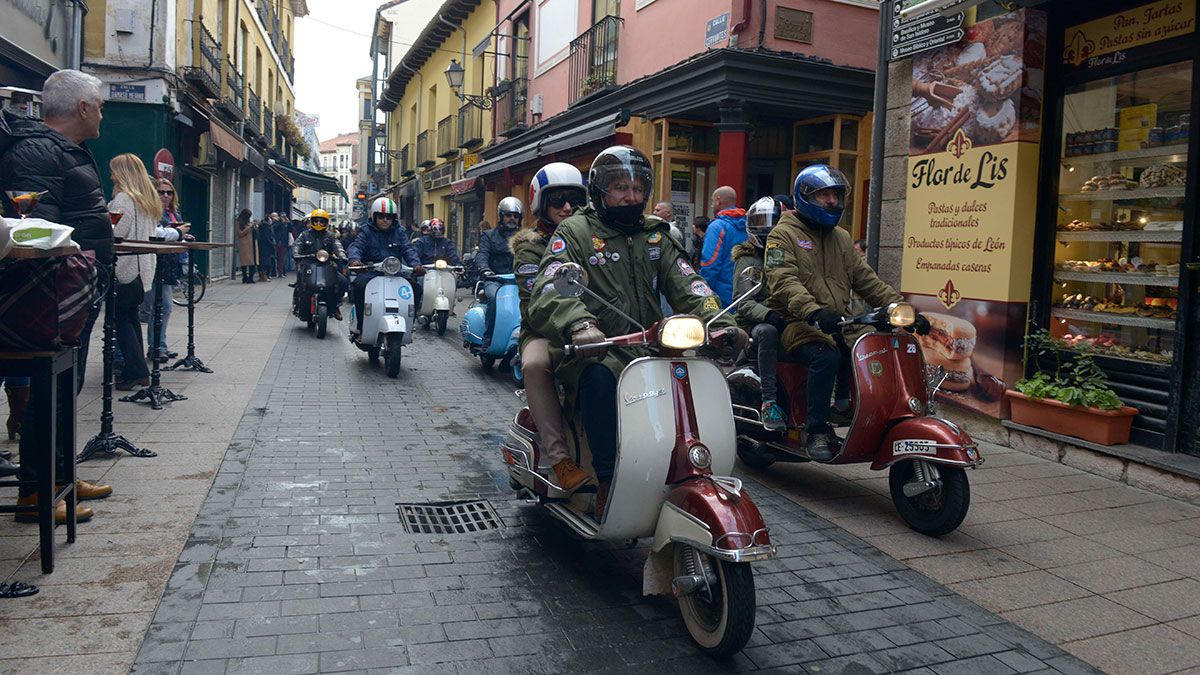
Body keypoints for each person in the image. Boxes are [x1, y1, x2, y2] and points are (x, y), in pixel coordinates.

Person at [528, 146, 745, 518]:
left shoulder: (656, 236)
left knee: (685, 376)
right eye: (619, 187)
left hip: (649, 343)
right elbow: (549, 287)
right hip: (596, 346)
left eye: (637, 187)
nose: (630, 195)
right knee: (597, 379)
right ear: (599, 190)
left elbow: (688, 282)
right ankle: (608, 479)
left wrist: (722, 322)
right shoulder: (575, 232)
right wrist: (580, 324)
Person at [764, 165, 928, 460]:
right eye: (823, 195)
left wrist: (903, 308)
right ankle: (815, 429)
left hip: (839, 321)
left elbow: (867, 280)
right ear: (804, 197)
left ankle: (852, 408)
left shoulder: (841, 237)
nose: (831, 201)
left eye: (835, 195)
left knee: (874, 348)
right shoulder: (782, 234)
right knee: (826, 356)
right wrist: (813, 311)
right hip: (798, 322)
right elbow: (783, 280)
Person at [511, 162, 590, 492]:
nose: (568, 207)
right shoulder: (531, 247)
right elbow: (536, 302)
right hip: (543, 330)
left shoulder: (590, 238)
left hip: (590, 326)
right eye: (558, 201)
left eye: (573, 199)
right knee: (536, 363)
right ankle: (560, 458)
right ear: (541, 203)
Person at [733, 196, 788, 432]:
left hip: (783, 315)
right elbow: (743, 303)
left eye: (773, 222)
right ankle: (769, 402)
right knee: (767, 332)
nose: (767, 227)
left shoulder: (782, 253)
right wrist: (768, 314)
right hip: (752, 323)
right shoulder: (748, 259)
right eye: (762, 222)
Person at [347, 197, 422, 334]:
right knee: (359, 287)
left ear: (393, 218)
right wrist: (355, 260)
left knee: (415, 288)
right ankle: (361, 325)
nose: (385, 220)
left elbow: (408, 249)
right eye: (381, 217)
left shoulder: (399, 232)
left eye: (389, 217)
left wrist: (416, 265)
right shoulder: (366, 231)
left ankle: (410, 322)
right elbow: (357, 246)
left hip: (395, 273)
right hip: (371, 272)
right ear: (374, 217)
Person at [141, 178, 191, 361]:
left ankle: (160, 345)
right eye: (161, 192)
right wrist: (178, 233)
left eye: (169, 192)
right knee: (162, 307)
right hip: (155, 264)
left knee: (163, 308)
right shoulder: (152, 212)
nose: (165, 196)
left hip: (169, 265)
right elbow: (156, 234)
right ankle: (156, 347)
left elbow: (176, 237)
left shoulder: (173, 214)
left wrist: (183, 236)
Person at [475, 197, 523, 348]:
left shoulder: (524, 237)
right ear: (501, 216)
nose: (512, 219)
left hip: (517, 280)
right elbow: (482, 254)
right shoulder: (489, 235)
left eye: (516, 216)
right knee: (494, 299)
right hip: (495, 279)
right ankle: (488, 336)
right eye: (509, 215)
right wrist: (485, 269)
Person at [293, 208, 347, 320]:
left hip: (327, 266)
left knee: (343, 282)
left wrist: (342, 255)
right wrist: (296, 253)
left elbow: (338, 246)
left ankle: (336, 305)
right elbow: (297, 245)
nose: (319, 223)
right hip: (309, 265)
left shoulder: (331, 236)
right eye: (316, 221)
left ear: (326, 223)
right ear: (312, 221)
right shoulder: (304, 235)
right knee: (300, 278)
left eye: (321, 221)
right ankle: (299, 303)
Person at [699, 185, 748, 306]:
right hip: (744, 292)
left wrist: (704, 291)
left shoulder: (717, 227)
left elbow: (710, 262)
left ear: (718, 200)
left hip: (721, 295)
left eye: (712, 201)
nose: (712, 205)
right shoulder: (747, 225)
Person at [235, 209, 256, 282]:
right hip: (244, 244)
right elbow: (240, 234)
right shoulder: (239, 222)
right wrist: (249, 227)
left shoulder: (247, 222)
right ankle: (245, 278)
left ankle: (250, 278)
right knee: (245, 262)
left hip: (250, 244)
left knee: (251, 263)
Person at [257, 212, 276, 280]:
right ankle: (264, 276)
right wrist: (272, 244)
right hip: (266, 247)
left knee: (264, 262)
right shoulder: (266, 227)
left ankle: (263, 275)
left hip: (263, 246)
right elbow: (267, 237)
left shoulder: (263, 226)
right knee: (266, 262)